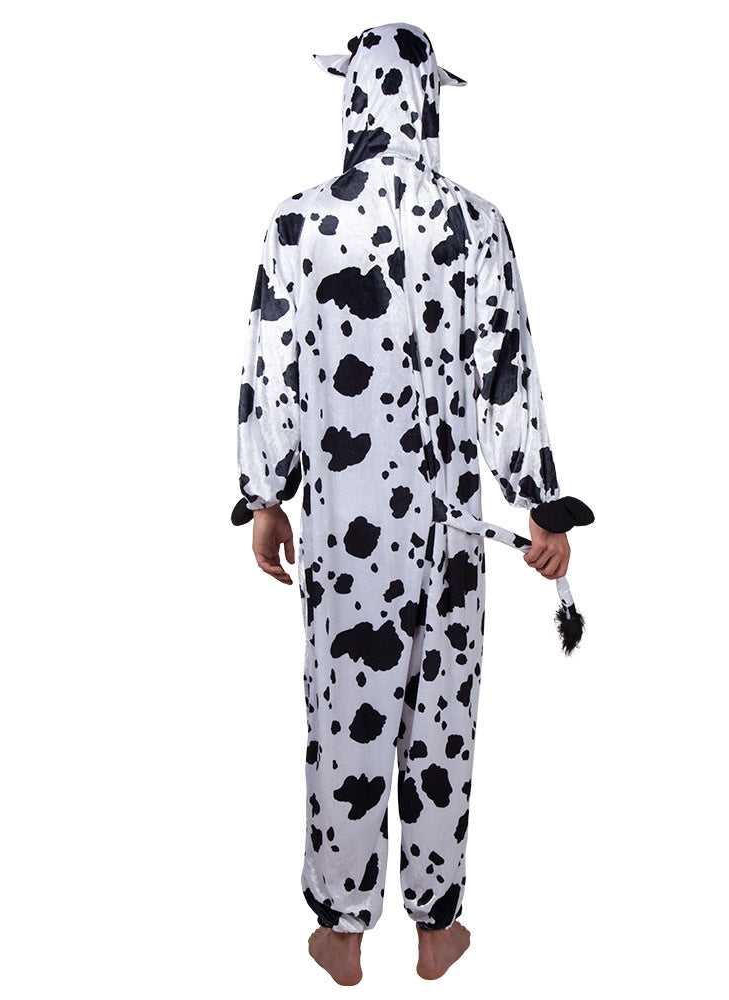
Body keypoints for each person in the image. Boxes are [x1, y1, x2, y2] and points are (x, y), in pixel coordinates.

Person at [232, 22, 591, 984]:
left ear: (354, 97)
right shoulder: (478, 227)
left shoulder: (298, 226)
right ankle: (437, 929)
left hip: (347, 535)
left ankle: (343, 933)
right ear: (430, 100)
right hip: (452, 534)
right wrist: (540, 505)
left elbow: (274, 374)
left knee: (346, 718)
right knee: (441, 723)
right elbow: (509, 375)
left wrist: (266, 495)